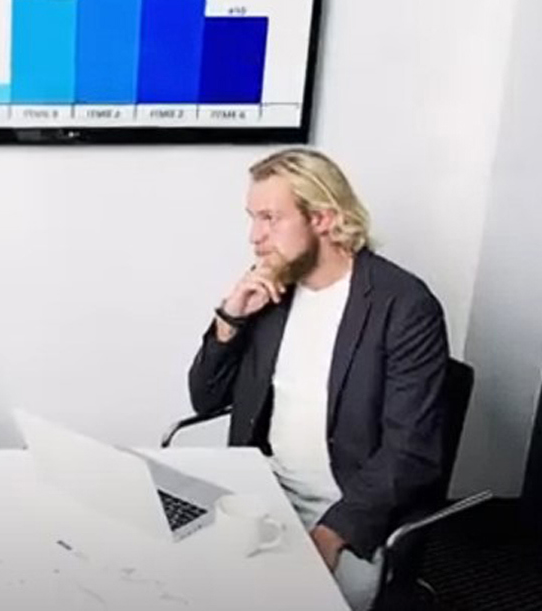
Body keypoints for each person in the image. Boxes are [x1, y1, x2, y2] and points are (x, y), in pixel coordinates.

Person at [187, 149, 449, 610]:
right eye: (253, 218)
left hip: (349, 515)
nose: (255, 237)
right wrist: (230, 319)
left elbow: (411, 452)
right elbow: (205, 400)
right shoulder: (271, 290)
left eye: (270, 218)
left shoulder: (404, 306)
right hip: (262, 491)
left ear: (324, 218)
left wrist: (331, 534)